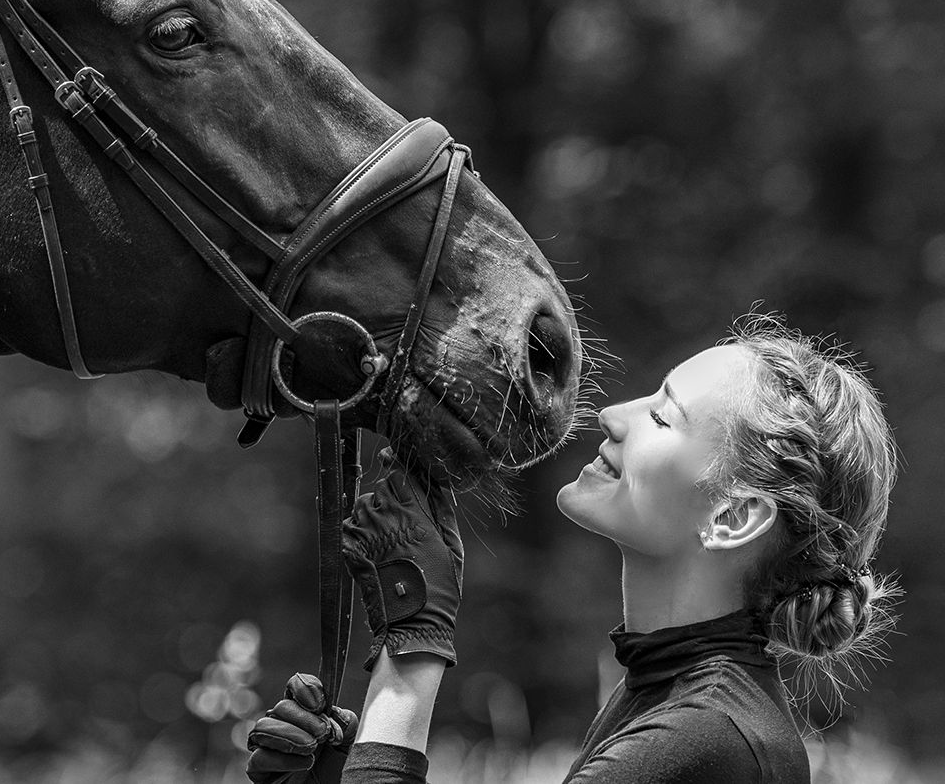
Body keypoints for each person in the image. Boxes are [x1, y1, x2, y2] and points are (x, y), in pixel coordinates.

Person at [244, 314, 899, 783]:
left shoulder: (707, 740)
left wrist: (412, 648)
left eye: (664, 416)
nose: (616, 415)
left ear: (734, 516)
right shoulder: (673, 698)